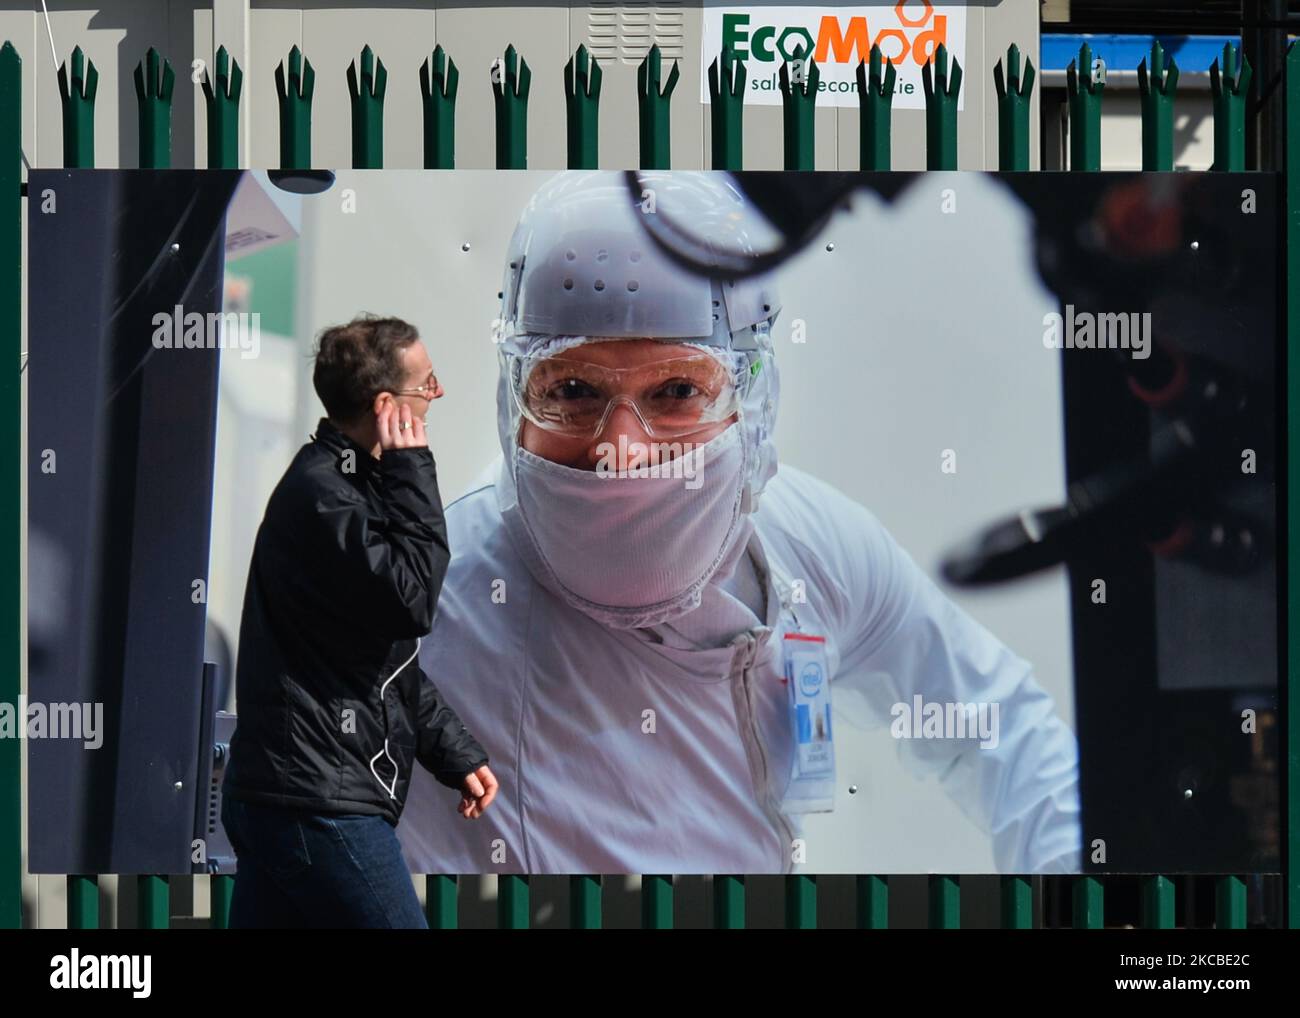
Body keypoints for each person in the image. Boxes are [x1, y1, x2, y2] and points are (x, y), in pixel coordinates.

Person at [396, 173, 1081, 875]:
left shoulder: (805, 546)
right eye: (572, 391)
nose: (622, 447)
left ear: (750, 395)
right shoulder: (421, 610)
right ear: (515, 396)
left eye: (676, 391)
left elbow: (1001, 727)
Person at [220, 313, 499, 927]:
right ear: (386, 405)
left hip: (295, 794)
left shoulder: (348, 487)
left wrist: (453, 752)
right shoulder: (326, 495)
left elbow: (382, 655)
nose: (439, 394)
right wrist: (414, 467)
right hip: (318, 803)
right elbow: (414, 600)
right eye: (426, 384)